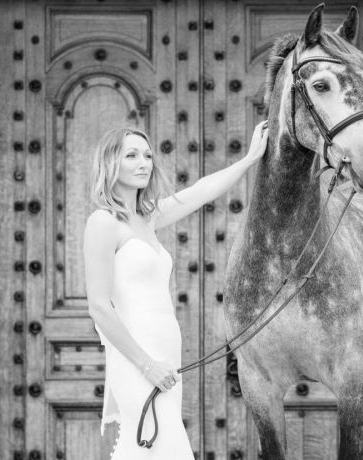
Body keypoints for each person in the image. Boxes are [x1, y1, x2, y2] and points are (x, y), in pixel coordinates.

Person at [83, 120, 269, 459]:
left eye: (148, 155)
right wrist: (146, 364)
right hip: (138, 358)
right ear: (111, 163)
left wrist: (250, 159)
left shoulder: (147, 218)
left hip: (165, 354)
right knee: (165, 448)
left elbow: (200, 191)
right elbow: (99, 306)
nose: (143, 163)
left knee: (148, 451)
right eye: (132, 155)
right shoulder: (103, 222)